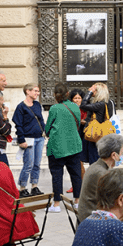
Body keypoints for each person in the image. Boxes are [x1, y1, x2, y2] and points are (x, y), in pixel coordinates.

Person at [76, 133, 123, 223]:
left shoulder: (97, 166)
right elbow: (120, 189)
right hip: (94, 222)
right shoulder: (100, 172)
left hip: (90, 218)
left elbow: (117, 178)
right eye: (121, 153)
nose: (121, 156)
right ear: (114, 155)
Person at [45, 83, 83, 213]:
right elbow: (77, 123)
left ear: (55, 95)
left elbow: (47, 128)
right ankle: (77, 201)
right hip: (74, 145)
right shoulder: (75, 107)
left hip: (57, 147)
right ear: (68, 94)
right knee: (76, 174)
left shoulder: (54, 108)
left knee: (57, 175)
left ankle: (56, 204)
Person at [12, 83, 46, 198]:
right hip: (28, 139)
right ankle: (22, 188)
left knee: (37, 164)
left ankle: (34, 186)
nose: (38, 93)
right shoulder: (21, 107)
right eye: (35, 91)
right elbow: (18, 124)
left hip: (39, 138)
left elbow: (41, 120)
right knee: (29, 164)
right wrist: (21, 139)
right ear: (28, 91)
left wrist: (45, 131)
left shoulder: (37, 105)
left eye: (38, 91)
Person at [80, 82, 115, 166]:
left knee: (95, 162)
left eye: (94, 90)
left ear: (99, 92)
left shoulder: (100, 104)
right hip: (100, 136)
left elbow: (83, 105)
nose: (91, 91)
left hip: (96, 136)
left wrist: (89, 93)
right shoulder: (104, 104)